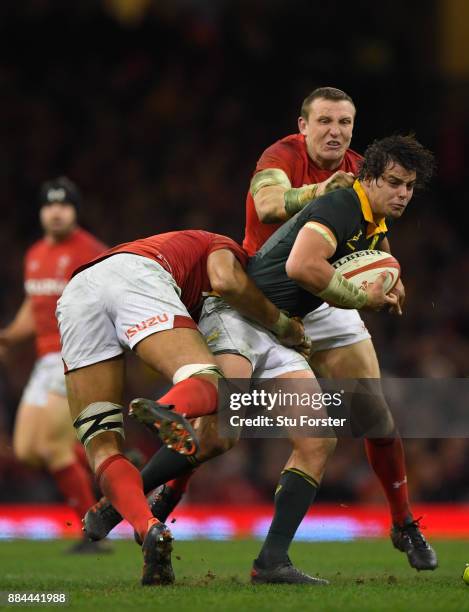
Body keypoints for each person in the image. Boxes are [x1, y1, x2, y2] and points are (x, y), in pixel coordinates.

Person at [81, 134, 434, 583]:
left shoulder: (370, 218)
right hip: (240, 313)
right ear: (368, 178)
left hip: (279, 325)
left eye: (409, 186)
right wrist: (360, 296)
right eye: (394, 183)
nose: (403, 194)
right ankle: (164, 423)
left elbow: (368, 256)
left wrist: (392, 278)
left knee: (316, 439)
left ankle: (271, 562)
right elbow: (301, 266)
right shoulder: (341, 203)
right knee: (225, 414)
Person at [56, 228, 306, 585]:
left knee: (102, 443)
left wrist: (177, 487)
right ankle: (171, 406)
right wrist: (283, 325)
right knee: (212, 382)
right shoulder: (226, 247)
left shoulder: (180, 264)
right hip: (137, 275)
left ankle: (148, 527)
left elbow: (197, 439)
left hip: (78, 292)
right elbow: (228, 279)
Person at [0, 177, 109, 553]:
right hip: (44, 359)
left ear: (75, 211)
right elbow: (35, 305)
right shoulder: (34, 254)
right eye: (49, 205)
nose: (56, 211)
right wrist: (10, 337)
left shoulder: (91, 251)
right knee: (27, 449)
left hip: (75, 356)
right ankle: (108, 456)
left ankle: (91, 534)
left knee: (52, 448)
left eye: (64, 204)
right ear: (42, 212)